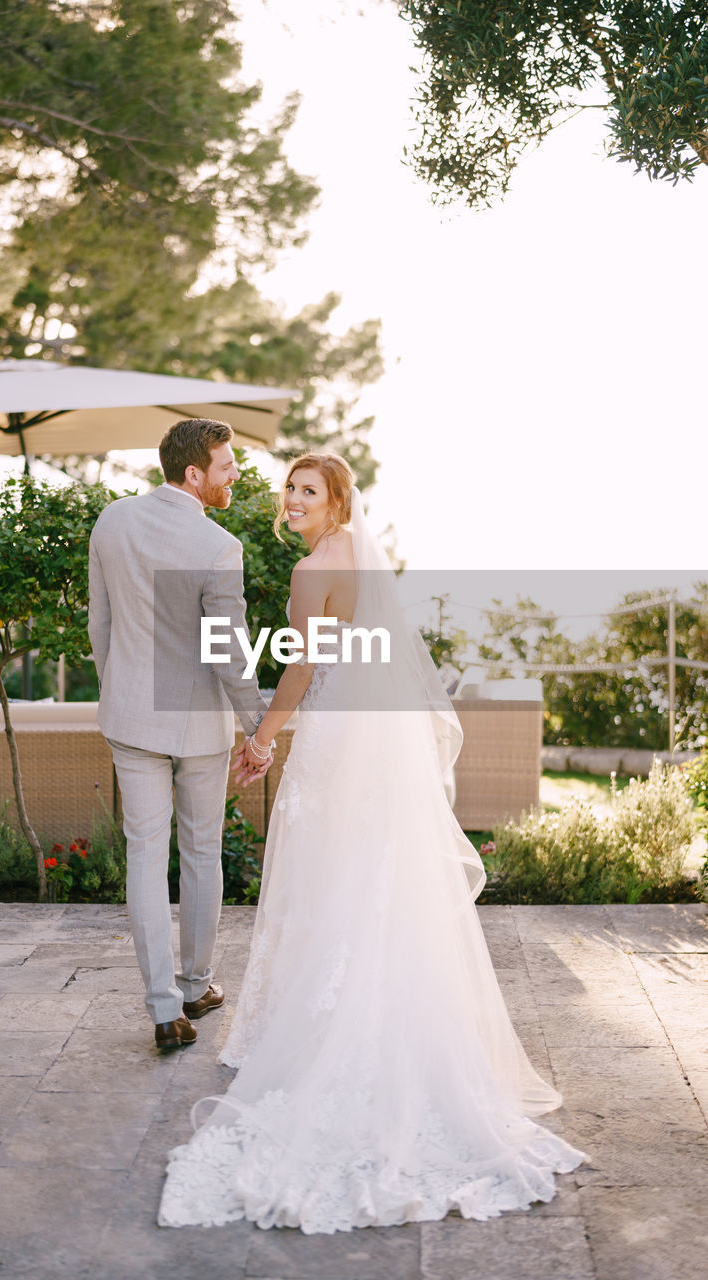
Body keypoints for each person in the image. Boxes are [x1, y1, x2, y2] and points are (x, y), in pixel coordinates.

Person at [157, 451, 590, 1233]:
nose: (290, 500)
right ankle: (396, 1030)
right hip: (374, 744)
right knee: (376, 878)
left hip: (333, 741)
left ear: (335, 503)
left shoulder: (310, 572)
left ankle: (330, 1033)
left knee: (329, 877)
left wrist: (260, 740)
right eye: (288, 488)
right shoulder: (361, 558)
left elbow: (300, 669)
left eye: (306, 491)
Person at [87, 417, 273, 1055]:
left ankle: (165, 1011)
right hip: (196, 726)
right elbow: (228, 653)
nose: (235, 476)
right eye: (227, 467)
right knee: (200, 854)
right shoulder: (219, 547)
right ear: (194, 473)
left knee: (145, 857)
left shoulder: (113, 520)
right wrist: (258, 728)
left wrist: (119, 690)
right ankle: (195, 986)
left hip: (129, 717)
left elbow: (100, 623)